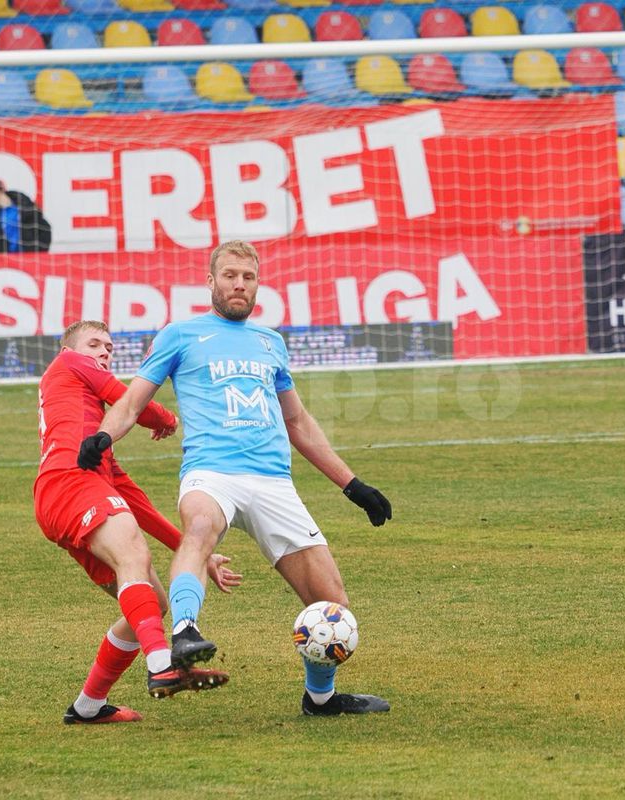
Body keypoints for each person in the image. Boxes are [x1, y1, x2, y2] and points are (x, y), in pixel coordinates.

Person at [77, 240, 394, 716]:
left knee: (332, 605)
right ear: (211, 281)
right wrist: (104, 436)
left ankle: (320, 698)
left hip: (273, 482)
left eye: (247, 277)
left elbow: (299, 423)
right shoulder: (180, 335)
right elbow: (132, 402)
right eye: (229, 275)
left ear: (257, 283)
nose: (238, 284)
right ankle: (184, 632)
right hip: (211, 471)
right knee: (200, 528)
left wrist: (353, 485)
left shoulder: (271, 342)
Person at [36, 319, 242, 725]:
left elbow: (138, 504)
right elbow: (133, 401)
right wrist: (167, 419)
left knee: (152, 601)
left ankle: (88, 706)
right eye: (95, 343)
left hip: (64, 493)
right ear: (70, 350)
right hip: (69, 482)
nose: (104, 352)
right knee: (132, 553)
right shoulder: (69, 364)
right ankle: (162, 664)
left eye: (110, 347)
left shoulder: (96, 446)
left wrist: (199, 553)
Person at [0, 178, 52, 254]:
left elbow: (45, 229)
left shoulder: (26, 207)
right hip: (4, 262)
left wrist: (38, 253)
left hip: (29, 259)